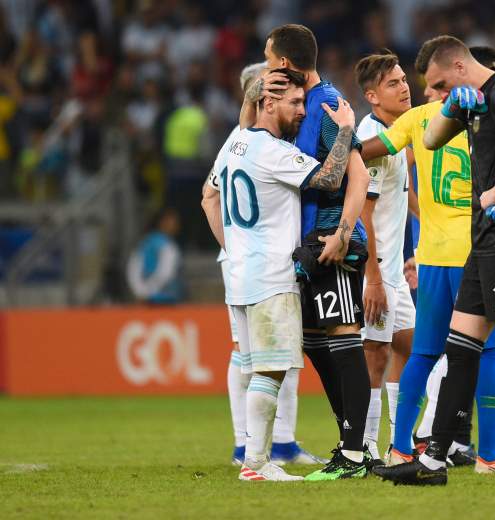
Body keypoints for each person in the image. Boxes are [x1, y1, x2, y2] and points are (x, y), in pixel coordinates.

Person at [374, 35, 495, 486]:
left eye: (441, 85)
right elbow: (429, 138)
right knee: (461, 352)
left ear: (461, 68)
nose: (434, 94)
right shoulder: (468, 101)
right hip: (482, 241)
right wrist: (451, 107)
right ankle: (433, 461)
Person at [203, 66, 356, 481]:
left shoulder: (234, 142)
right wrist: (345, 129)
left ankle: (255, 458)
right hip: (272, 276)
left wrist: (232, 247)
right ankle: (255, 463)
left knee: (256, 369)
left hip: (239, 275)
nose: (304, 112)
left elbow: (208, 196)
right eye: (294, 103)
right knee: (271, 372)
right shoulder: (274, 152)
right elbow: (330, 176)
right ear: (267, 103)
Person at [246, 24, 372, 480]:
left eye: (267, 57)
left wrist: (341, 231)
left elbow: (356, 175)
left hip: (330, 241)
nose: (264, 64)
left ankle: (355, 454)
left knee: (343, 339)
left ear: (282, 63)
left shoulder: (326, 104)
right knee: (318, 345)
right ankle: (351, 441)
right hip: (308, 247)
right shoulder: (300, 108)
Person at [353, 51, 415, 462]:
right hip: (377, 272)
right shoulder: (371, 140)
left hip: (393, 267)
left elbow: (402, 204)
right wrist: (372, 278)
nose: (405, 86)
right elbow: (364, 212)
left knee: (412, 349)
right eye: (393, 84)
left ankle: (403, 441)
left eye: (404, 78)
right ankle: (367, 446)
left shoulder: (397, 132)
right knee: (375, 356)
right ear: (373, 96)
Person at [126, 208, 183, 304]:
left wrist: (139, 290)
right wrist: (147, 291)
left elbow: (133, 269)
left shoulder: (145, 242)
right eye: (171, 221)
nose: (174, 225)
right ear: (161, 222)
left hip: (146, 295)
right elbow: (166, 272)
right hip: (163, 298)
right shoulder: (166, 246)